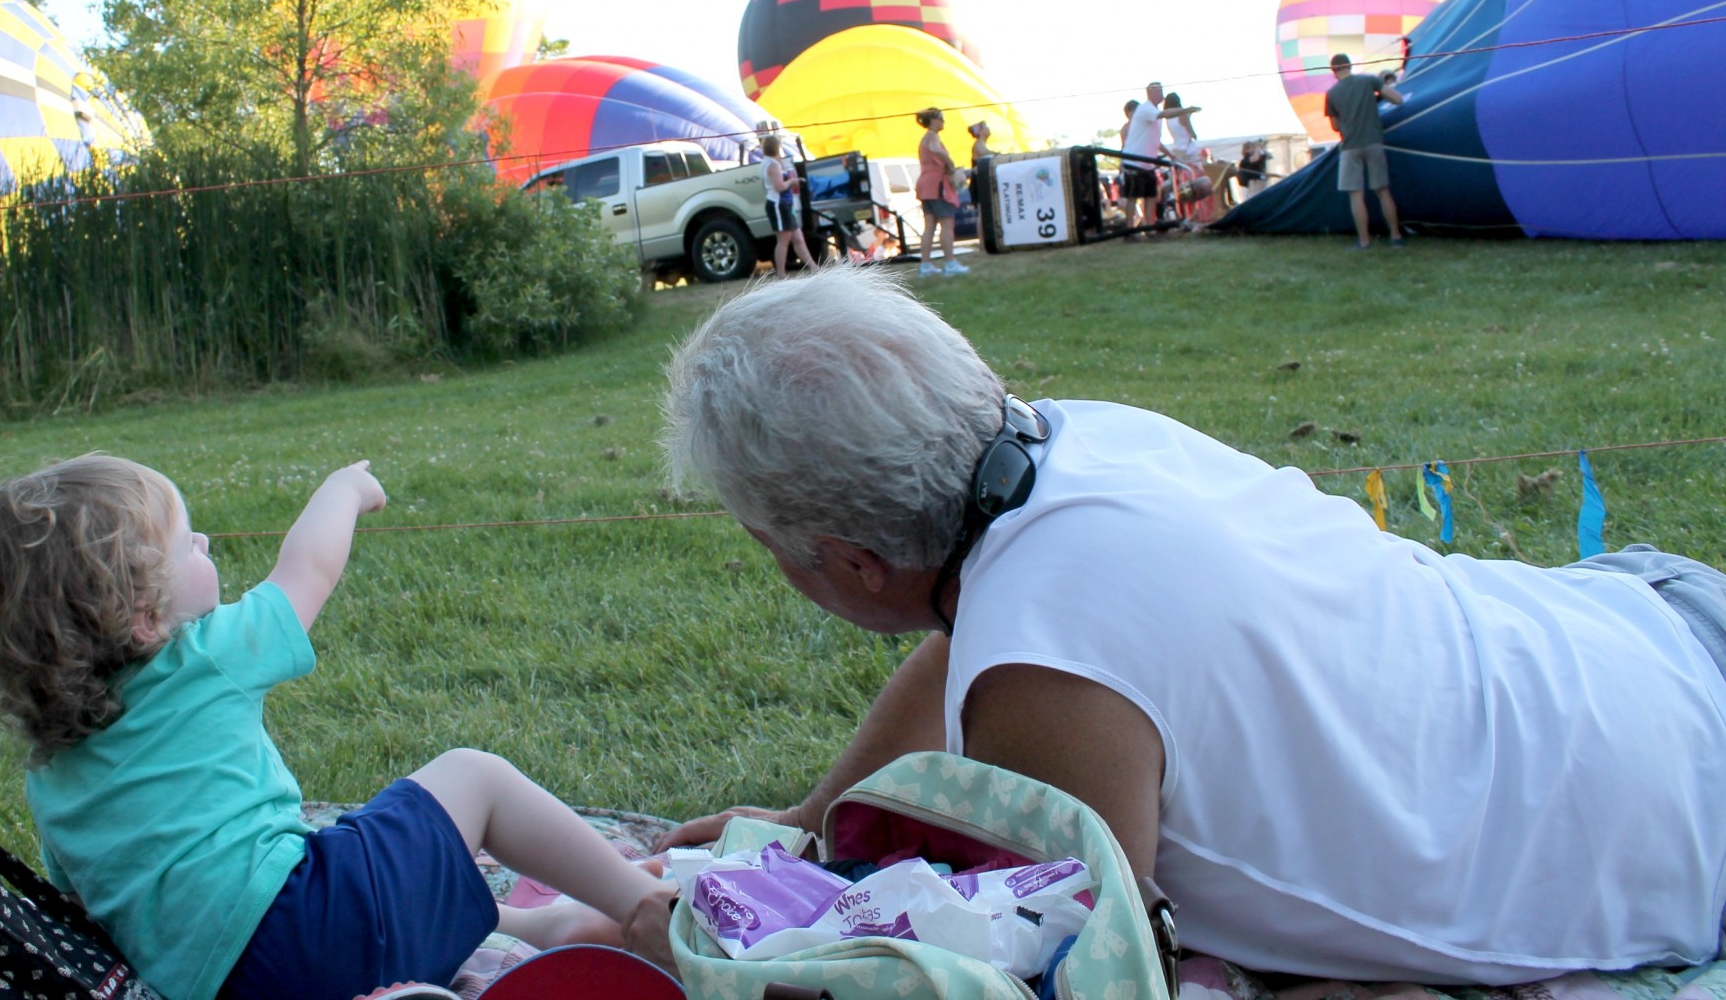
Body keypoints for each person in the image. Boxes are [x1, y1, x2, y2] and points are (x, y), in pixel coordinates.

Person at [656, 265, 1726, 986]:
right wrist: (814, 811)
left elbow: (1082, 963)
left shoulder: (1042, 694)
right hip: (1653, 628)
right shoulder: (1070, 446)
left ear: (851, 563)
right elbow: (994, 630)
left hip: (1694, 826)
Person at [0, 455, 676, 1000]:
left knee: (341, 848)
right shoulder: (204, 657)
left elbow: (89, 908)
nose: (204, 539)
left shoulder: (48, 774)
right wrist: (345, 488)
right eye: (186, 542)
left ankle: (541, 931)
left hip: (235, 990)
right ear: (143, 617)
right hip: (316, 927)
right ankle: (642, 908)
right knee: (470, 777)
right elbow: (309, 569)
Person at [1322, 53, 1406, 248]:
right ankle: (1395, 237)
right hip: (1374, 142)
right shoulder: (1369, 80)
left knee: (1356, 195)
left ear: (1333, 71)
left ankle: (1364, 241)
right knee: (1383, 191)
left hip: (1350, 147)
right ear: (1350, 66)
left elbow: (1335, 126)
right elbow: (1397, 99)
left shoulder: (1332, 94)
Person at [1120, 82, 1198, 229]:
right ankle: (1129, 230)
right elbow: (1163, 114)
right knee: (1133, 197)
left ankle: (1150, 227)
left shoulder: (1153, 112)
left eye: (1162, 91)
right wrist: (1185, 110)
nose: (1161, 94)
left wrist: (1171, 156)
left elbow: (1156, 141)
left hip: (1148, 162)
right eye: (1158, 91)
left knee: (1150, 197)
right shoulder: (1146, 109)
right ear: (1150, 93)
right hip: (1134, 160)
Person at [914, 107, 968, 276]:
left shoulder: (925, 138)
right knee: (947, 223)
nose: (943, 122)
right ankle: (950, 263)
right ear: (934, 119)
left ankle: (925, 265)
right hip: (937, 184)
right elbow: (936, 150)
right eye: (942, 118)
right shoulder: (932, 136)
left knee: (929, 226)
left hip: (925, 184)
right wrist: (949, 163)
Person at [761, 134, 819, 274]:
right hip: (778, 205)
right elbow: (779, 186)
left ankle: (814, 268)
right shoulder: (772, 165)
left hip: (786, 205)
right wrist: (792, 182)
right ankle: (781, 274)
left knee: (798, 239)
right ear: (776, 147)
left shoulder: (771, 162)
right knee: (783, 240)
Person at [966, 120, 994, 212]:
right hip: (978, 181)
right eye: (985, 127)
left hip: (981, 180)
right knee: (981, 210)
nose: (988, 128)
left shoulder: (981, 144)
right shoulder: (978, 144)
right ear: (980, 131)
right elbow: (985, 153)